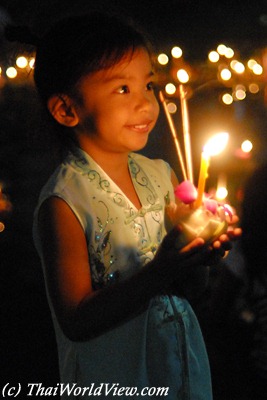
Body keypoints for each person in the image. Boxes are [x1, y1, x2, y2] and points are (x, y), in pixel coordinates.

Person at [6, 12, 240, 399]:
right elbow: (76, 321)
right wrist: (162, 268)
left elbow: (188, 290)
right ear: (67, 110)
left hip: (177, 369)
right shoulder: (64, 202)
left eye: (148, 84)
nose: (145, 103)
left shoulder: (161, 175)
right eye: (122, 90)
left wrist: (199, 253)